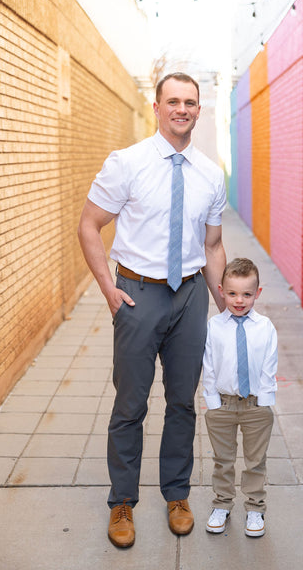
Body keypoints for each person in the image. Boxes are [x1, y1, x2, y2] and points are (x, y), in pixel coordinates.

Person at [77, 72, 227, 548]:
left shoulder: (209, 172)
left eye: (190, 102)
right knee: (130, 405)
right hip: (138, 295)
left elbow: (214, 242)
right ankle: (122, 502)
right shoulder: (128, 163)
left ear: (198, 110)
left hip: (189, 298)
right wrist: (109, 290)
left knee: (183, 402)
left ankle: (177, 495)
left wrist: (225, 304)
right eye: (173, 101)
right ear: (158, 107)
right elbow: (89, 225)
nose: (182, 109)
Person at [203, 258, 277, 537]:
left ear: (257, 293)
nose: (239, 300)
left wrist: (265, 400)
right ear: (221, 291)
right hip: (223, 404)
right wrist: (211, 401)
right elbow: (208, 363)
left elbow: (270, 365)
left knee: (255, 460)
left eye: (247, 294)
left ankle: (255, 508)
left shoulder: (265, 327)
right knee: (223, 460)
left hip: (256, 404)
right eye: (232, 293)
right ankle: (222, 504)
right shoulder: (214, 326)